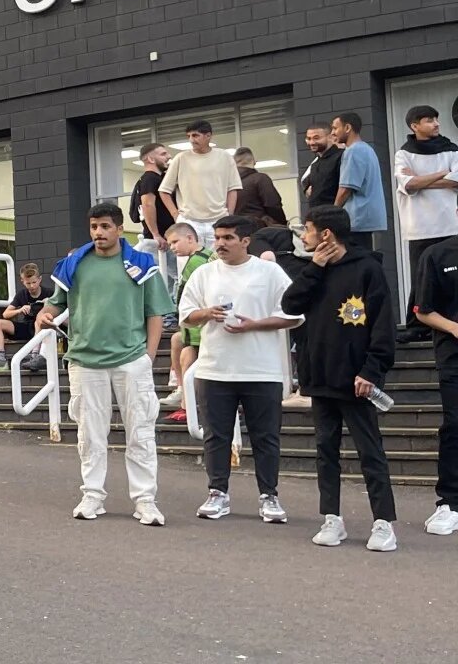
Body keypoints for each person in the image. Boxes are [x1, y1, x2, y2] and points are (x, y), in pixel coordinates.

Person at [39, 203, 172, 526]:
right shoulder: (74, 264)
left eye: (105, 227)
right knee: (89, 434)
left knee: (140, 432)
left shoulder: (143, 264)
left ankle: (145, 500)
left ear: (119, 229)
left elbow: (156, 314)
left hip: (131, 360)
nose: (98, 233)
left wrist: (148, 357)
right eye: (94, 227)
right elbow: (54, 304)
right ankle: (93, 495)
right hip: (85, 360)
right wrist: (44, 315)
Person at [283, 206, 399, 551]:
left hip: (357, 379)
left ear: (326, 234)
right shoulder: (311, 270)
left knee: (369, 451)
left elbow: (382, 325)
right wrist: (315, 267)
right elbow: (290, 304)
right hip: (319, 377)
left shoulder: (368, 269)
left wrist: (372, 371)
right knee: (325, 450)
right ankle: (331, 518)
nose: (304, 237)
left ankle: (384, 523)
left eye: (308, 230)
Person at [177, 216, 302, 523]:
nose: (220, 243)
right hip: (214, 369)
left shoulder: (269, 271)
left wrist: (255, 325)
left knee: (266, 437)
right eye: (217, 238)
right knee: (215, 436)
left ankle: (269, 496)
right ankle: (217, 493)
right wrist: (206, 313)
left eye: (228, 238)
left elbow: (294, 314)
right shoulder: (204, 274)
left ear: (246, 241)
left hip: (262, 369)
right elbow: (185, 315)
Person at [410, 227, 458, 536]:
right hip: (453, 356)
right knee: (455, 425)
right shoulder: (437, 254)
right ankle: (450, 503)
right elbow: (422, 311)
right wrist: (454, 328)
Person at [393, 105, 458, 298]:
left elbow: (456, 179)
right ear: (414, 126)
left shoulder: (452, 151)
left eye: (436, 119)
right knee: (422, 283)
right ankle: (419, 327)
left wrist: (421, 180)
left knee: (452, 281)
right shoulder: (403, 154)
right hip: (419, 230)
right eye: (429, 120)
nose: (437, 124)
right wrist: (442, 174)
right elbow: (409, 184)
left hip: (451, 227)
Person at [158, 120, 241, 248]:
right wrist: (176, 215)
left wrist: (229, 215)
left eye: (195, 135)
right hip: (189, 220)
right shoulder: (181, 158)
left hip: (218, 219)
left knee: (220, 262)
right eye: (189, 136)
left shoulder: (225, 157)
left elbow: (233, 188)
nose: (191, 140)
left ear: (208, 136)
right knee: (188, 263)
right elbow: (164, 190)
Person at [158, 223, 211, 421]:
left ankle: (187, 404)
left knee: (187, 355)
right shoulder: (202, 257)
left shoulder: (198, 262)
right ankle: (181, 390)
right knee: (176, 342)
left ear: (190, 238)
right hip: (193, 322)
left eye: (175, 242)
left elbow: (196, 293)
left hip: (197, 322)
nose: (172, 247)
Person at [332, 112, 389, 249]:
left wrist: (333, 212)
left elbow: (346, 188)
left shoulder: (352, 151)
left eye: (335, 128)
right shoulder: (367, 149)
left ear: (347, 128)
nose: (333, 133)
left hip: (357, 220)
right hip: (369, 219)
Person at [0, 261, 53, 369]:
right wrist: (19, 310)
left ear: (40, 279)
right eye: (28, 283)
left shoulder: (49, 293)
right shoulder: (22, 294)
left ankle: (35, 356)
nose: (32, 286)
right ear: (22, 281)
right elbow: (6, 314)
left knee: (39, 320)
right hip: (26, 327)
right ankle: (0, 358)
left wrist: (47, 303)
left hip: (42, 328)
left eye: (34, 282)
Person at [129, 142, 178, 286]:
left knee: (169, 279)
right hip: (159, 240)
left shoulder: (159, 178)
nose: (168, 156)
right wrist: (156, 234)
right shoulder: (150, 178)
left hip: (161, 238)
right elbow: (147, 205)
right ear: (150, 159)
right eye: (163, 154)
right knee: (171, 277)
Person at [232, 148, 289, 227]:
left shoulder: (229, 183)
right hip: (259, 228)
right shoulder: (260, 179)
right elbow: (273, 204)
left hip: (237, 229)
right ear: (254, 162)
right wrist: (282, 223)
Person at [299, 125, 342, 216]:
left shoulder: (342, 157)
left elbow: (346, 189)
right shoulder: (315, 164)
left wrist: (336, 210)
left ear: (330, 137)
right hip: (317, 217)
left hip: (336, 216)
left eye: (316, 138)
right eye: (309, 138)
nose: (312, 142)